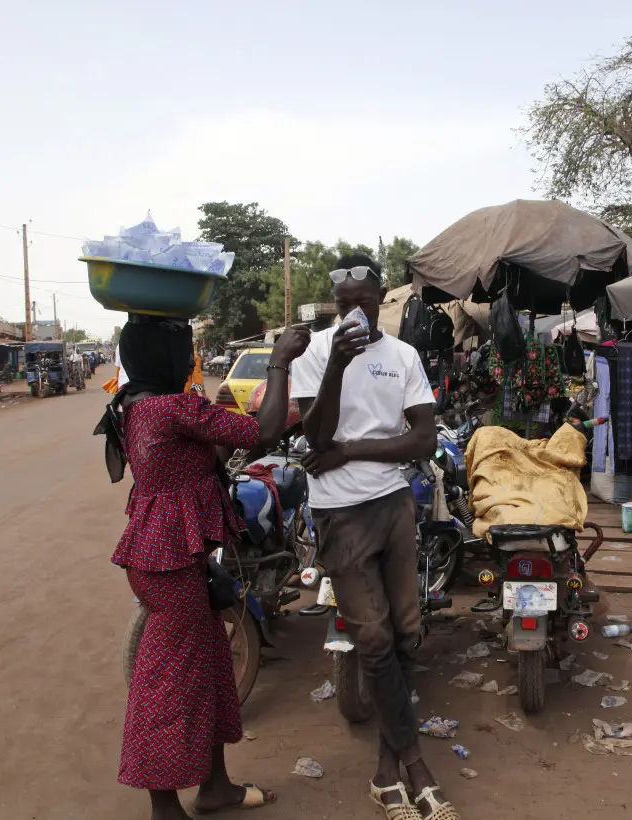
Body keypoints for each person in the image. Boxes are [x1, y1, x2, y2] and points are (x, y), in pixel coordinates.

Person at [108, 315, 309, 820]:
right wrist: (280, 360)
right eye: (185, 349)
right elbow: (263, 431)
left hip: (169, 554)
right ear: (168, 359)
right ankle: (164, 808)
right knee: (169, 685)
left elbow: (203, 453)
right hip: (171, 559)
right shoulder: (173, 407)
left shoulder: (135, 405)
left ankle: (216, 785)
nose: (192, 357)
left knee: (213, 668)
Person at [290, 254, 458, 820]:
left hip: (392, 502)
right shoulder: (316, 353)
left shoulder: (403, 355)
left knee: (408, 632)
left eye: (362, 302)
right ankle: (413, 763)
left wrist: (352, 450)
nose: (352, 313)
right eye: (343, 305)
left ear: (380, 298)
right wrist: (337, 365)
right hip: (340, 511)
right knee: (375, 640)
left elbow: (423, 440)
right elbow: (314, 432)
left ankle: (386, 771)